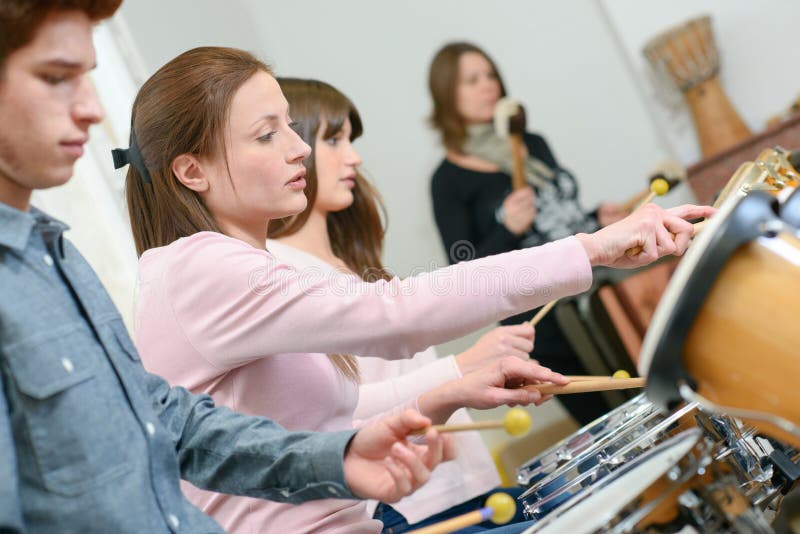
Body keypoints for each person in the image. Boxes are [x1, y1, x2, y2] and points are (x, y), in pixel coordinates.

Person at [121, 45, 711, 532]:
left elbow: (336, 417)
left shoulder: (228, 268)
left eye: (290, 128)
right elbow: (396, 311)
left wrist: (455, 382)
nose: (298, 147)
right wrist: (593, 247)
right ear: (190, 170)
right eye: (267, 135)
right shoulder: (199, 269)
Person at [0, 2, 456, 532]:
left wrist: (336, 460)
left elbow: (172, 425)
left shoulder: (58, 255)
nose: (91, 110)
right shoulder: (199, 267)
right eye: (56, 77)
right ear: (191, 171)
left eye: (86, 78)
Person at [267, 77, 539, 532]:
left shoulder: (349, 261)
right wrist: (463, 367)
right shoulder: (280, 272)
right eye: (333, 139)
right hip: (409, 507)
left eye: (350, 140)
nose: (353, 157)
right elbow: (333, 413)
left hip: (460, 486)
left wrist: (470, 372)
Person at [428, 41, 633, 425]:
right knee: (613, 422)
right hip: (550, 325)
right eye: (472, 80)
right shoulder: (448, 181)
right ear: (447, 96)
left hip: (600, 296)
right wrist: (507, 229)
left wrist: (595, 219)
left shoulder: (532, 143)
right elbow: (463, 270)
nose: (488, 86)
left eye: (491, 75)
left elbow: (557, 227)